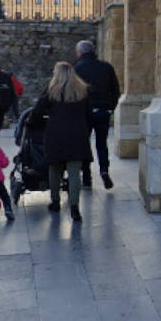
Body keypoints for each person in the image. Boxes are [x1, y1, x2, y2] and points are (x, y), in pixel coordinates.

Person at [31, 61, 92, 221]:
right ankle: (74, 207)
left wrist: (33, 124)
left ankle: (55, 201)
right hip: (78, 135)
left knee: (54, 168)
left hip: (56, 135)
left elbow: (38, 111)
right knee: (74, 173)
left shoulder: (52, 90)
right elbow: (89, 114)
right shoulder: (83, 90)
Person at [70, 39, 121, 190]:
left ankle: (86, 176)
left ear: (80, 52)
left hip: (83, 113)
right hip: (103, 111)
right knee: (101, 144)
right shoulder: (106, 67)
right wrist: (110, 107)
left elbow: (72, 92)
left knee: (84, 144)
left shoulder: (76, 69)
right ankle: (104, 171)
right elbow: (115, 89)